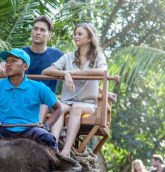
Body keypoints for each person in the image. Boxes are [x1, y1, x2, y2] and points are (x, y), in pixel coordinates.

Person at [42, 23, 117, 156]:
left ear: (89, 38)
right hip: (67, 101)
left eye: (80, 34)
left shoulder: (98, 56)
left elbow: (103, 71)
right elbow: (46, 71)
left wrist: (73, 73)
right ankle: (53, 146)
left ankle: (66, 150)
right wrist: (65, 74)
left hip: (87, 103)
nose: (76, 36)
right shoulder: (68, 57)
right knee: (59, 107)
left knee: (76, 107)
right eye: (75, 34)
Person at [0, 49, 63, 151]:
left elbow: (59, 108)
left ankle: (59, 165)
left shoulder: (38, 87)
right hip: (2, 129)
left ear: (25, 66)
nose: (8, 64)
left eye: (14, 61)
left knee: (48, 138)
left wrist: (47, 126)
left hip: (30, 130)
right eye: (7, 61)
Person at [0, 16, 63, 123]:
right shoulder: (21, 53)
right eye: (35, 29)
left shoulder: (58, 54)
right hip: (19, 97)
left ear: (49, 35)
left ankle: (36, 130)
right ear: (32, 31)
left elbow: (73, 70)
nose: (37, 32)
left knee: (42, 102)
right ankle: (4, 126)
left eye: (42, 30)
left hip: (44, 101)